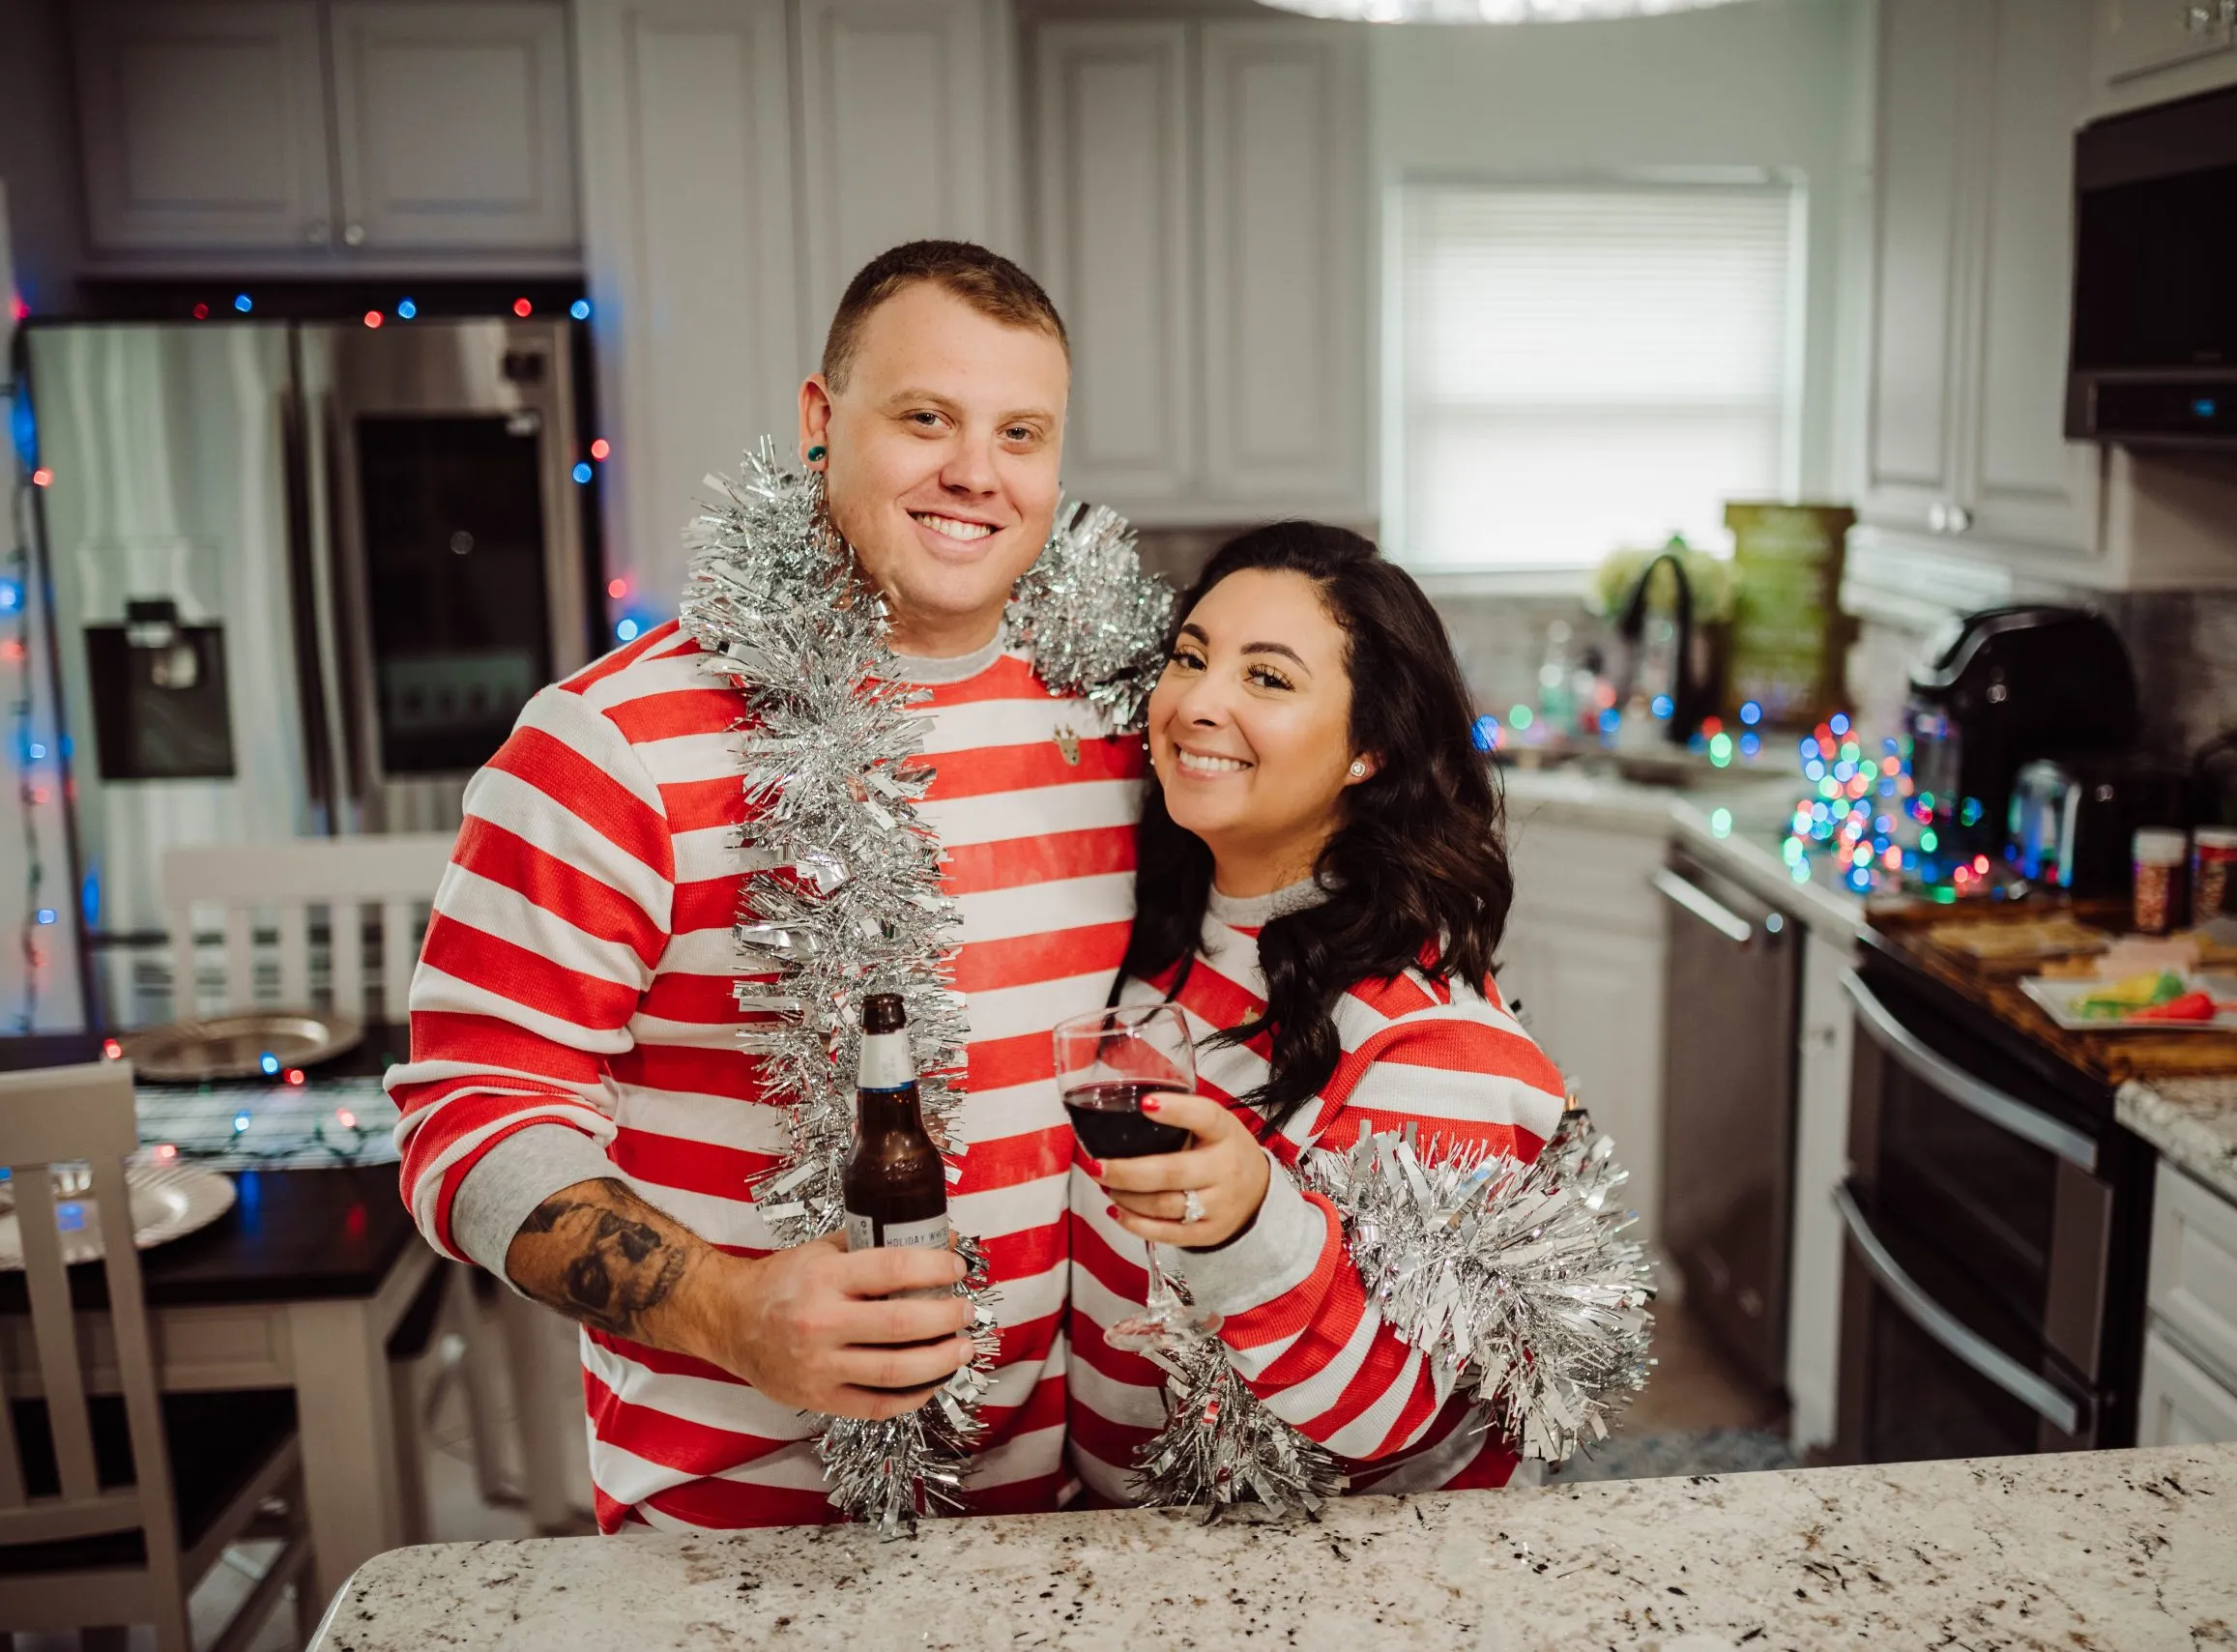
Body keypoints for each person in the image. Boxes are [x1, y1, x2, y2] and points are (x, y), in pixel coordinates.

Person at [387, 242, 1148, 1529]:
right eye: (925, 417)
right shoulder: (609, 745)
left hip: (1069, 1524)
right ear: (818, 420)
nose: (977, 471)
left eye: (1021, 431)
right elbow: (467, 1123)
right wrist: (729, 1312)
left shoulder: (1126, 727)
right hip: (730, 1535)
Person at [1066, 522, 1570, 1503]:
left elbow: (1395, 1409)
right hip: (1126, 1549)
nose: (1198, 702)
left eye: (1269, 678)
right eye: (1190, 656)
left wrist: (1245, 1214)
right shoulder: (1164, 941)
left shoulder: (1437, 1040)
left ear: (1368, 751)